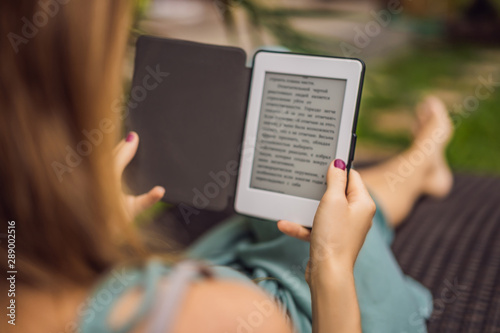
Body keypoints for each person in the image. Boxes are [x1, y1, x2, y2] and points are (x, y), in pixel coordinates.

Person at [0, 1, 453, 333]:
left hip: (229, 264)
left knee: (315, 197)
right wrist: (332, 265)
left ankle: (423, 160)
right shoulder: (213, 314)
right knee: (330, 199)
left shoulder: (19, 281)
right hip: (326, 309)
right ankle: (426, 154)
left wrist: (96, 236)